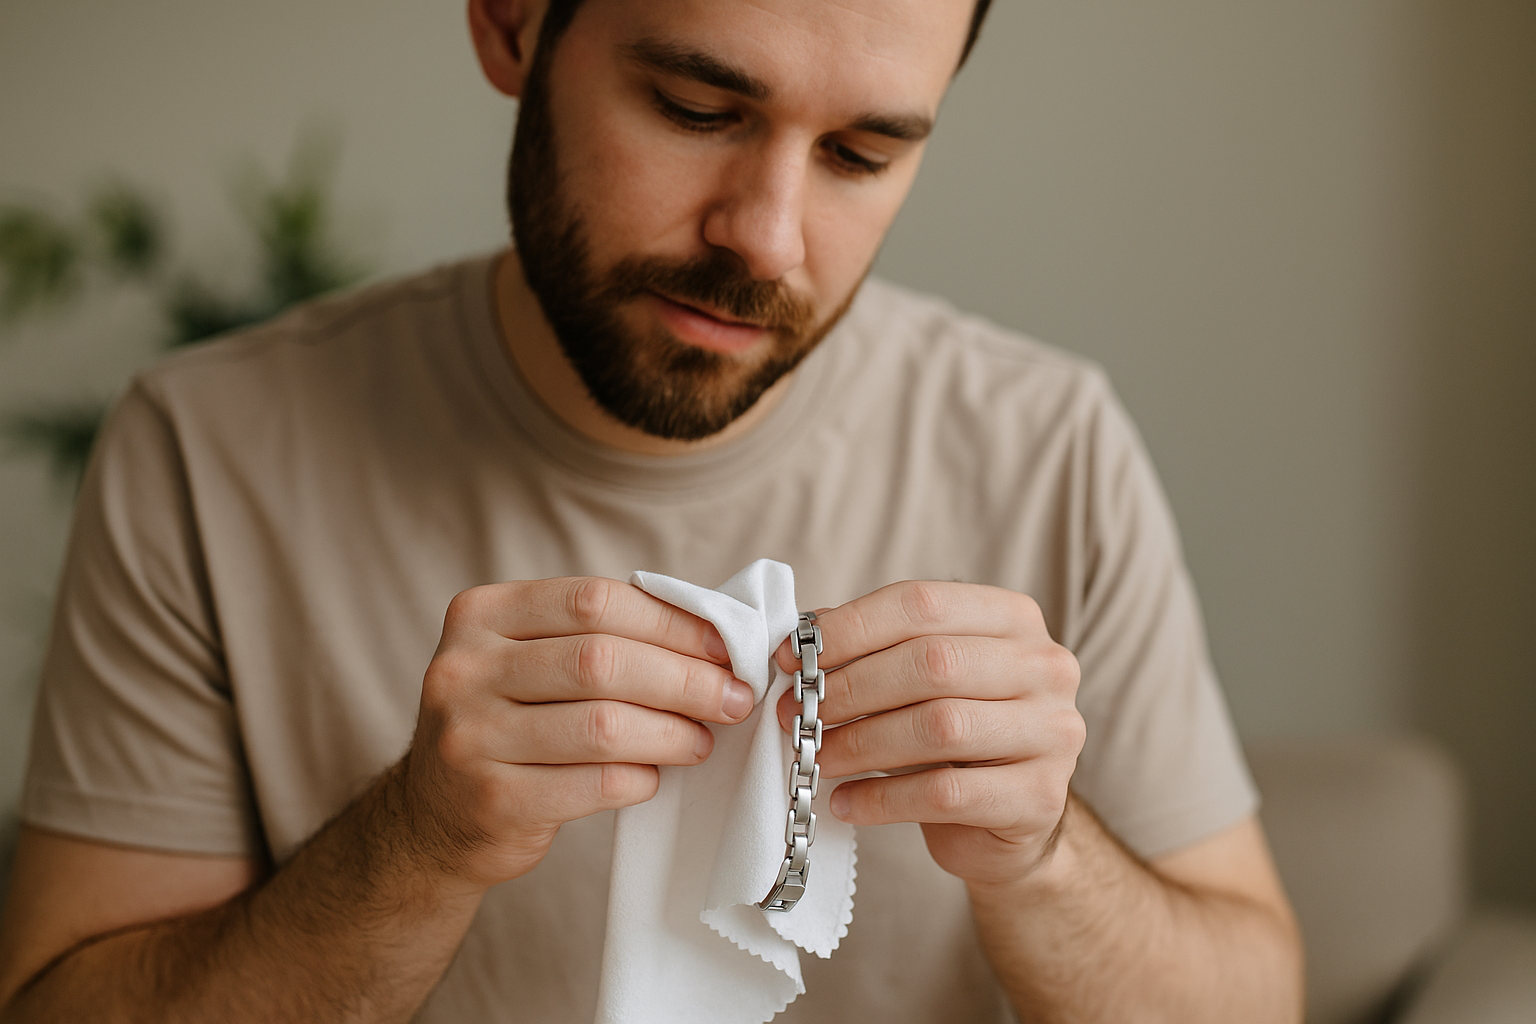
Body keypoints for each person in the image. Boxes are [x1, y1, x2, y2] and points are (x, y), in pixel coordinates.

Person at [0, 0, 1304, 1020]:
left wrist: (1046, 857)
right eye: (695, 109)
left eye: (861, 154)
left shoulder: (1050, 447)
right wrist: (415, 842)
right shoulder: (204, 452)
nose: (768, 238)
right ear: (513, 24)